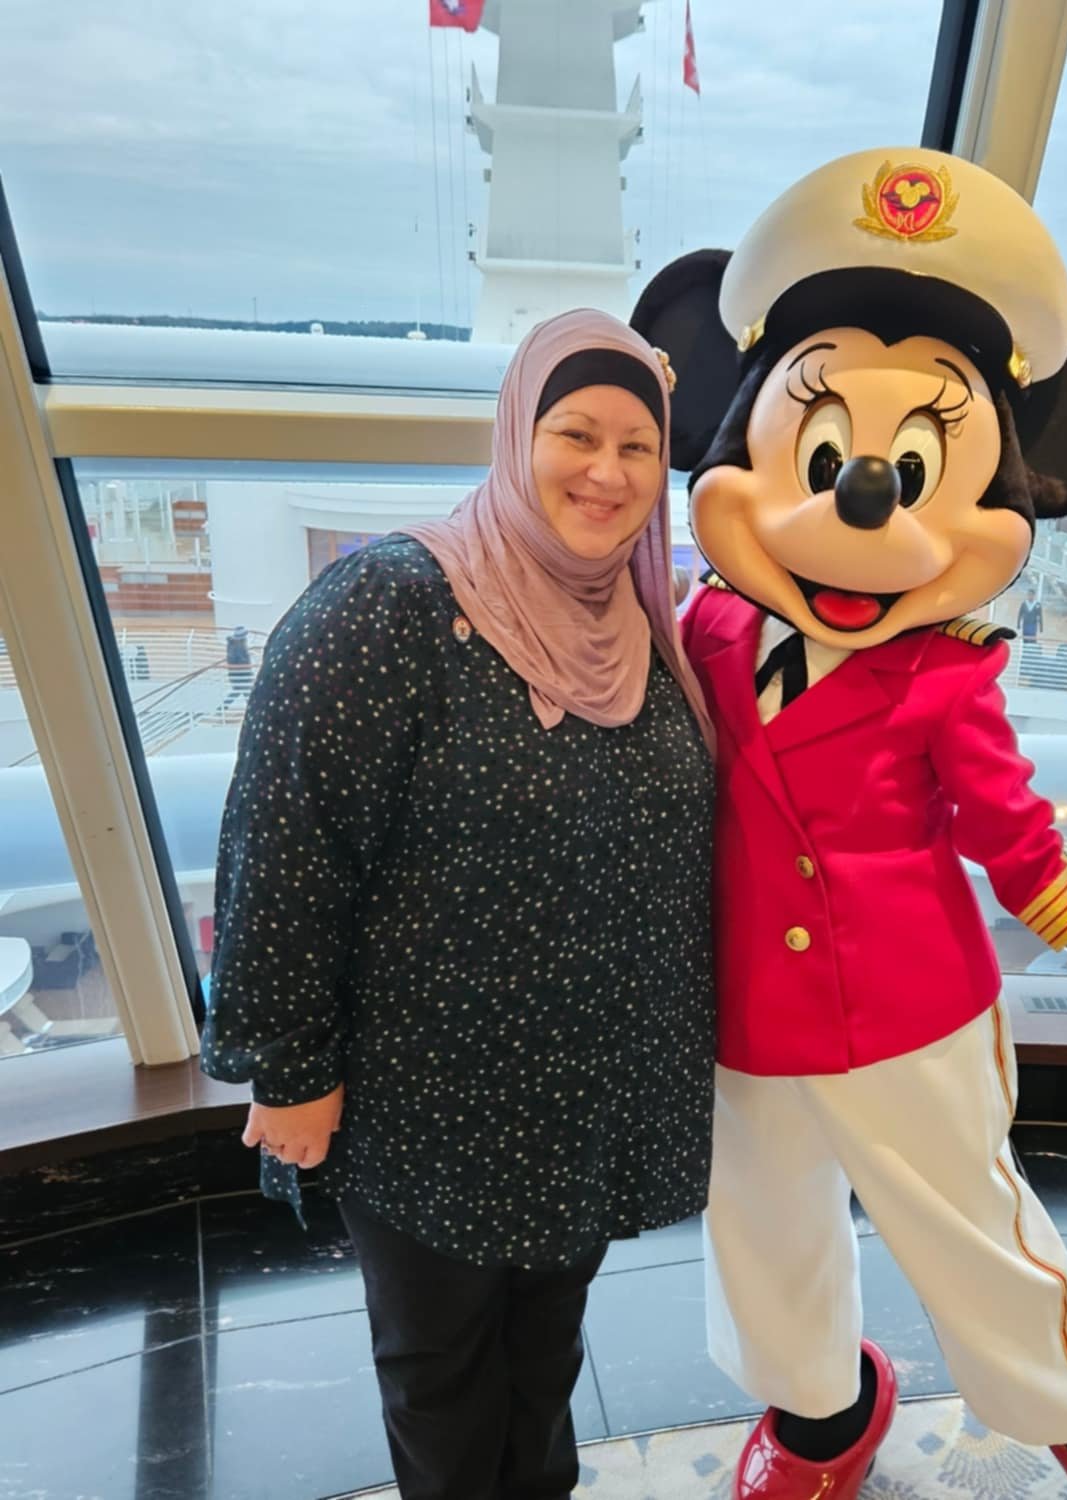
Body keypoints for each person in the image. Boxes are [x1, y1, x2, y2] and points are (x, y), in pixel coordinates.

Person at [633, 148, 1067, 1500]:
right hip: (743, 1007)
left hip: (907, 1010)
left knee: (968, 1230)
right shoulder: (707, 626)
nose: (861, 497)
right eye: (825, 444)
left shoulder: (949, 672)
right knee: (763, 1231)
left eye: (915, 463)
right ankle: (820, 1417)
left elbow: (1006, 827)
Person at [200, 310, 717, 1500]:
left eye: (639, 446)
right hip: (430, 1103)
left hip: (581, 1101)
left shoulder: (641, 622)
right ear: (515, 433)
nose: (607, 471)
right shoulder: (391, 606)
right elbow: (284, 848)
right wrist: (291, 1072)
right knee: (441, 1376)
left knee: (544, 1361)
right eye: (576, 433)